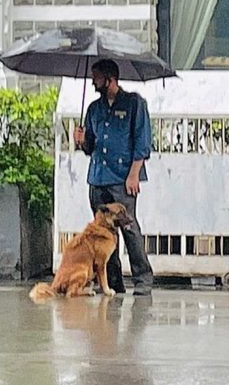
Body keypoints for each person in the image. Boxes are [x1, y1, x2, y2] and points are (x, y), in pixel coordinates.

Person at [73, 59, 154, 296]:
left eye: (97, 77)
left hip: (122, 178)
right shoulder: (93, 109)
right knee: (103, 233)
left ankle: (142, 279)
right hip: (98, 178)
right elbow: (90, 147)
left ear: (110, 78)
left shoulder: (134, 104)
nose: (93, 82)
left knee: (129, 227)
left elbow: (142, 142)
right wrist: (81, 139)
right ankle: (113, 282)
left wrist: (134, 174)